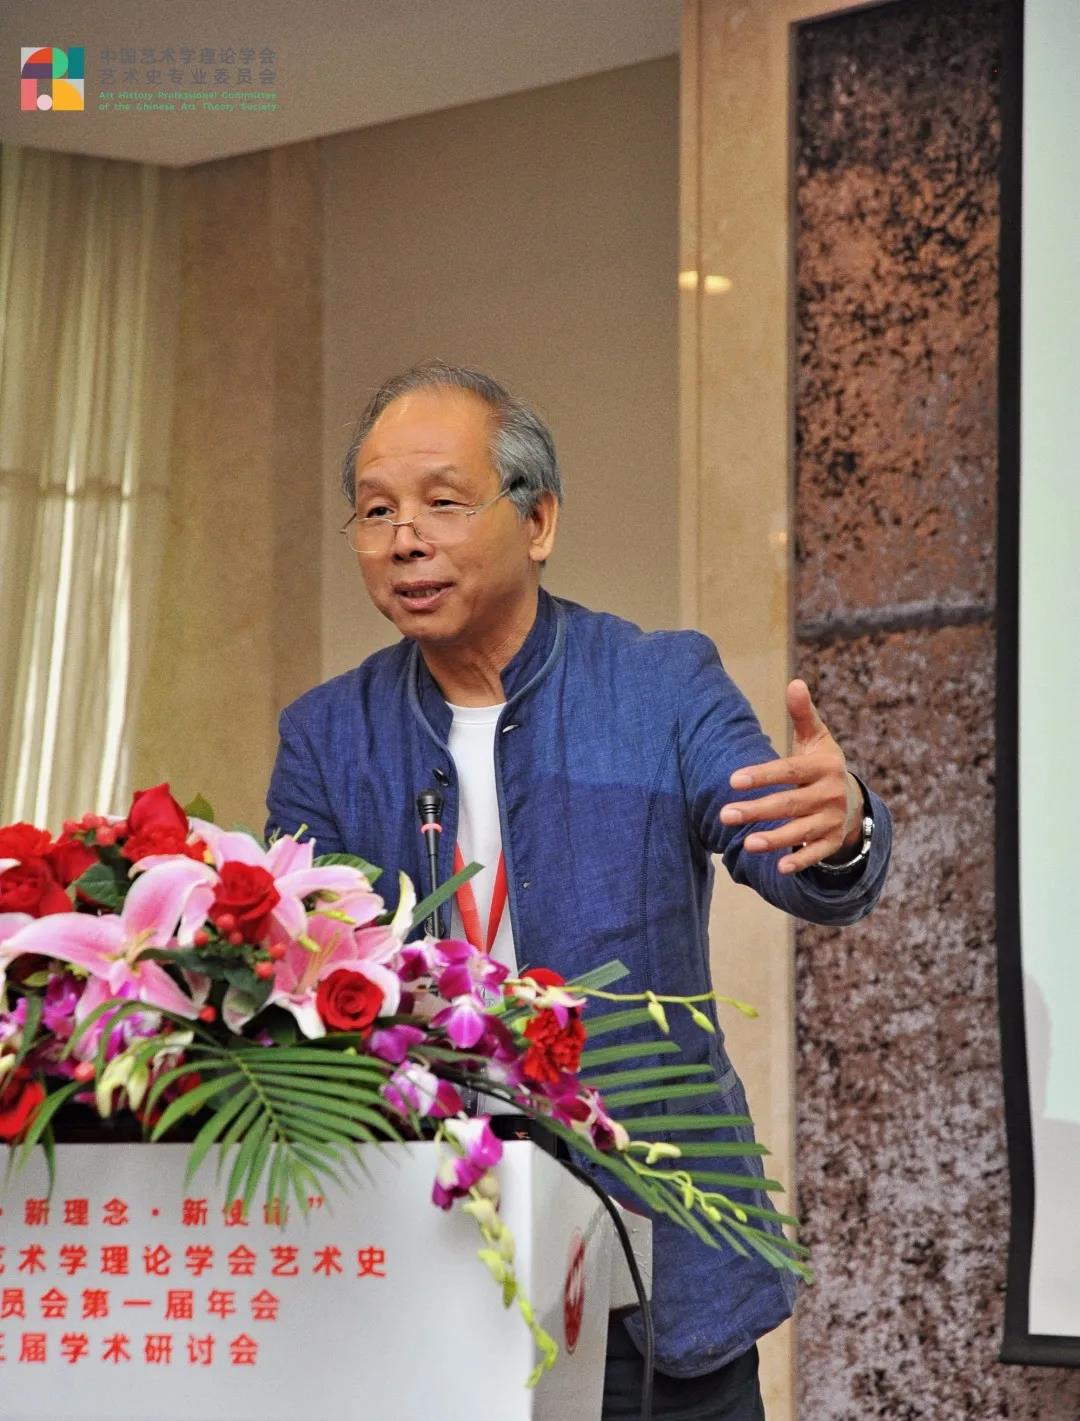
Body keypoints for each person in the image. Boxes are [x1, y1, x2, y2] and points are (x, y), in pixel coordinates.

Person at [265, 360, 892, 1420]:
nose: (404, 538)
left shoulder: (658, 685)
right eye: (375, 511)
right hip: (425, 1280)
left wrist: (838, 829)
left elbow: (786, 853)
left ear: (538, 518)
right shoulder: (328, 737)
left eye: (442, 502)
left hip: (660, 1285)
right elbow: (297, 985)